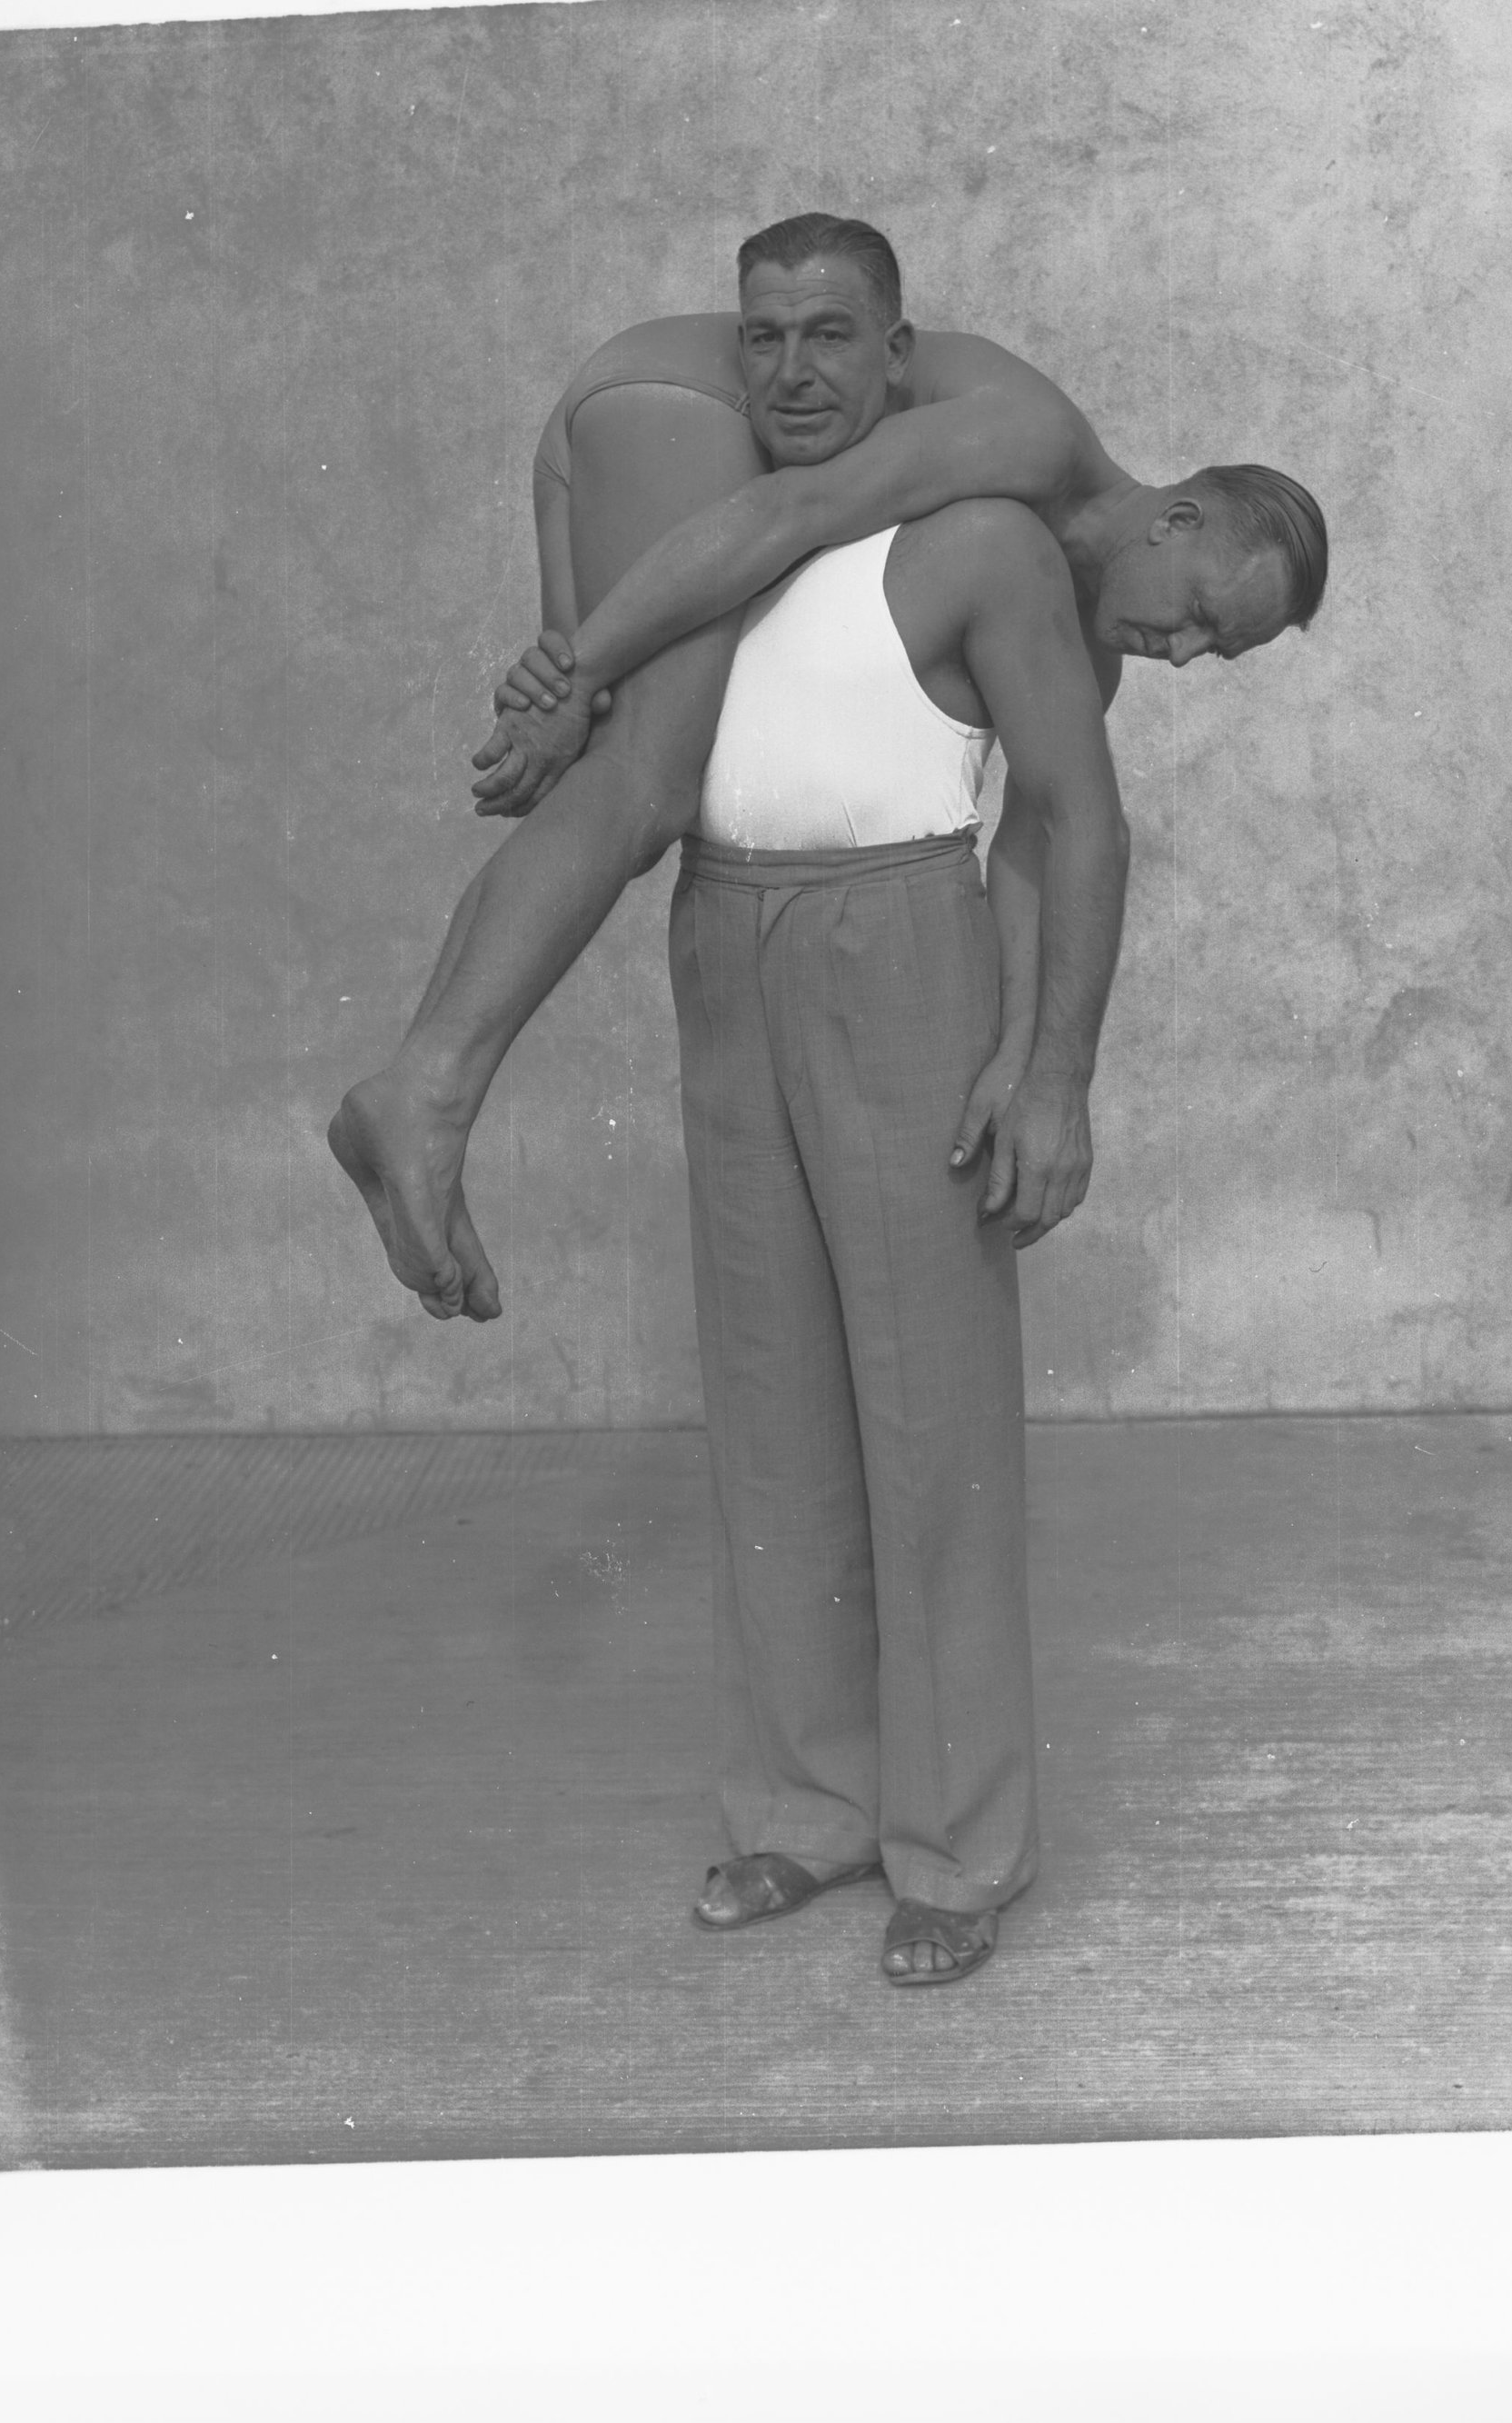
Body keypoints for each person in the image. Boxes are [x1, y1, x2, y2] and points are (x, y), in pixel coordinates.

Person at [328, 214, 1327, 1324]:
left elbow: (1036, 837)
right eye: (1196, 612)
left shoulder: (1083, 652)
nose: (1182, 652)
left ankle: (419, 1094)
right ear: (1175, 517)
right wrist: (576, 675)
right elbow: (787, 508)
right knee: (646, 772)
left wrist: (1020, 1050)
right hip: (677, 400)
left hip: (617, 420)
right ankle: (430, 1088)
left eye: (1213, 650)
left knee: (605, 780)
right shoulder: (1032, 444)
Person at [663, 332, 1126, 1988]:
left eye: (831, 335)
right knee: (773, 1398)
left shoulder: (978, 543)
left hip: (903, 943)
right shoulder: (714, 539)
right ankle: (803, 1811)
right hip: (723, 937)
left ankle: (957, 1846)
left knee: (931, 1418)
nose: (796, 366)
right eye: (763, 334)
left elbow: (1077, 809)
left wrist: (1048, 1067)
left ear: (899, 354)